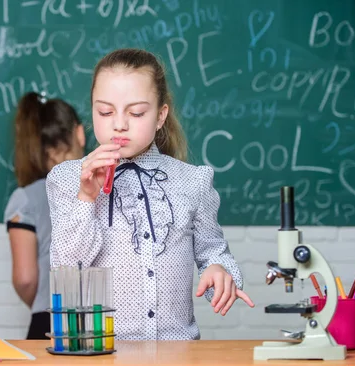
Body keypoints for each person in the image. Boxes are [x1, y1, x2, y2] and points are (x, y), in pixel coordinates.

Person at [45, 48, 254, 340]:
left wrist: (220, 270)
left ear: (160, 116)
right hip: (101, 356)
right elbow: (66, 269)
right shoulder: (67, 179)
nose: (119, 123)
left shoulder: (193, 181)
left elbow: (214, 253)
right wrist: (86, 200)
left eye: (137, 112)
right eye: (105, 111)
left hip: (179, 355)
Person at [4, 91, 85, 339]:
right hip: (100, 322)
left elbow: (26, 279)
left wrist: (42, 303)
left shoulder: (25, 199)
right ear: (80, 134)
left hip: (48, 321)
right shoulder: (105, 189)